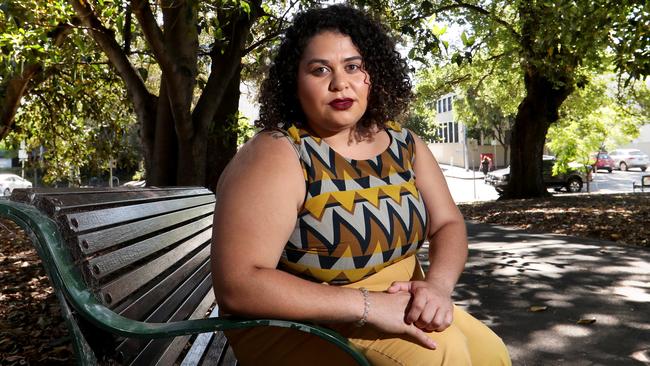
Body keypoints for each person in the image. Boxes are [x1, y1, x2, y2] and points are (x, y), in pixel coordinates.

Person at [211, 5, 511, 365]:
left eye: (353, 67)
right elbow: (238, 285)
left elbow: (448, 223)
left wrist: (436, 288)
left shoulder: (405, 144)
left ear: (375, 74)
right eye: (319, 69)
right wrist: (368, 305)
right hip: (293, 320)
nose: (340, 83)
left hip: (394, 302)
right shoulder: (279, 153)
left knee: (490, 353)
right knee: (440, 358)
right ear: (294, 81)